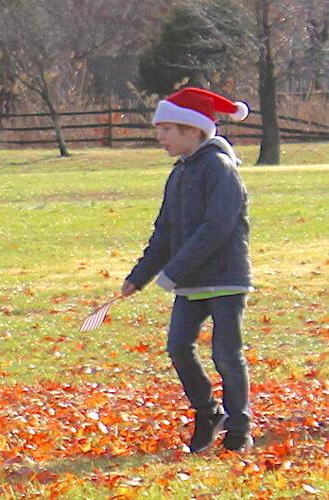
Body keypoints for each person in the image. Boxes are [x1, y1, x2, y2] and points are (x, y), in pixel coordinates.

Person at [119, 87, 256, 453]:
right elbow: (164, 232)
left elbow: (217, 227)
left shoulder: (220, 168)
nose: (160, 137)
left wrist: (174, 271)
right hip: (190, 283)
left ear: (194, 130)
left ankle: (239, 428)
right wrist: (139, 276)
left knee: (226, 355)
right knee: (179, 348)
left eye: (167, 129)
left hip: (226, 280)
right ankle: (209, 413)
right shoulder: (179, 174)